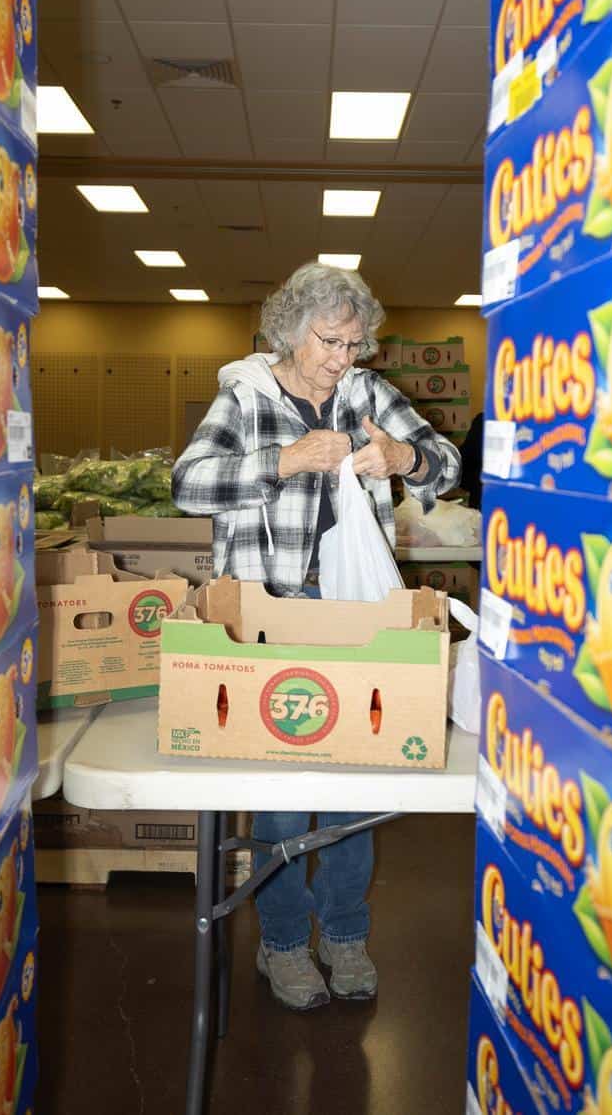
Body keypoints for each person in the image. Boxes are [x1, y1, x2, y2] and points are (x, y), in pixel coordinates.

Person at [172, 261, 462, 1011]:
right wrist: (285, 461)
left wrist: (404, 459)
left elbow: (447, 463)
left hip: (351, 617)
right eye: (330, 341)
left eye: (355, 343)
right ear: (290, 333)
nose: (344, 358)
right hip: (267, 618)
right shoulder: (246, 396)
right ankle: (281, 944)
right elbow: (185, 484)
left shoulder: (367, 395)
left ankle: (343, 933)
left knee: (352, 793)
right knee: (279, 800)